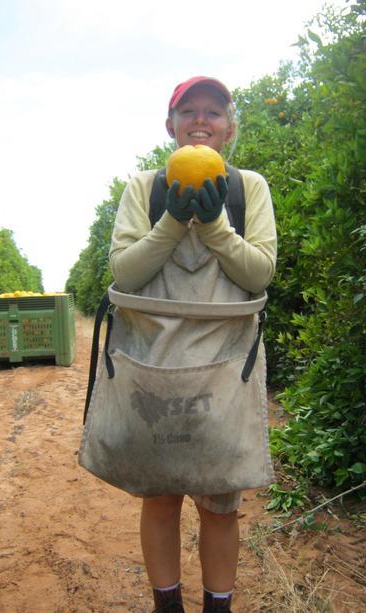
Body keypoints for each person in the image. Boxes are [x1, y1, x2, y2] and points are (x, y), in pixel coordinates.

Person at [108, 76, 277, 612]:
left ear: (229, 127)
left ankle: (218, 606)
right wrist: (173, 220)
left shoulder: (248, 188)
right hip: (153, 366)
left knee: (221, 505)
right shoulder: (145, 188)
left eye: (213, 112)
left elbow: (259, 275)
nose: (200, 120)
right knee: (159, 499)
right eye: (189, 112)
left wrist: (215, 226)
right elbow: (124, 274)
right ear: (171, 125)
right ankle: (167, 605)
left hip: (224, 369)